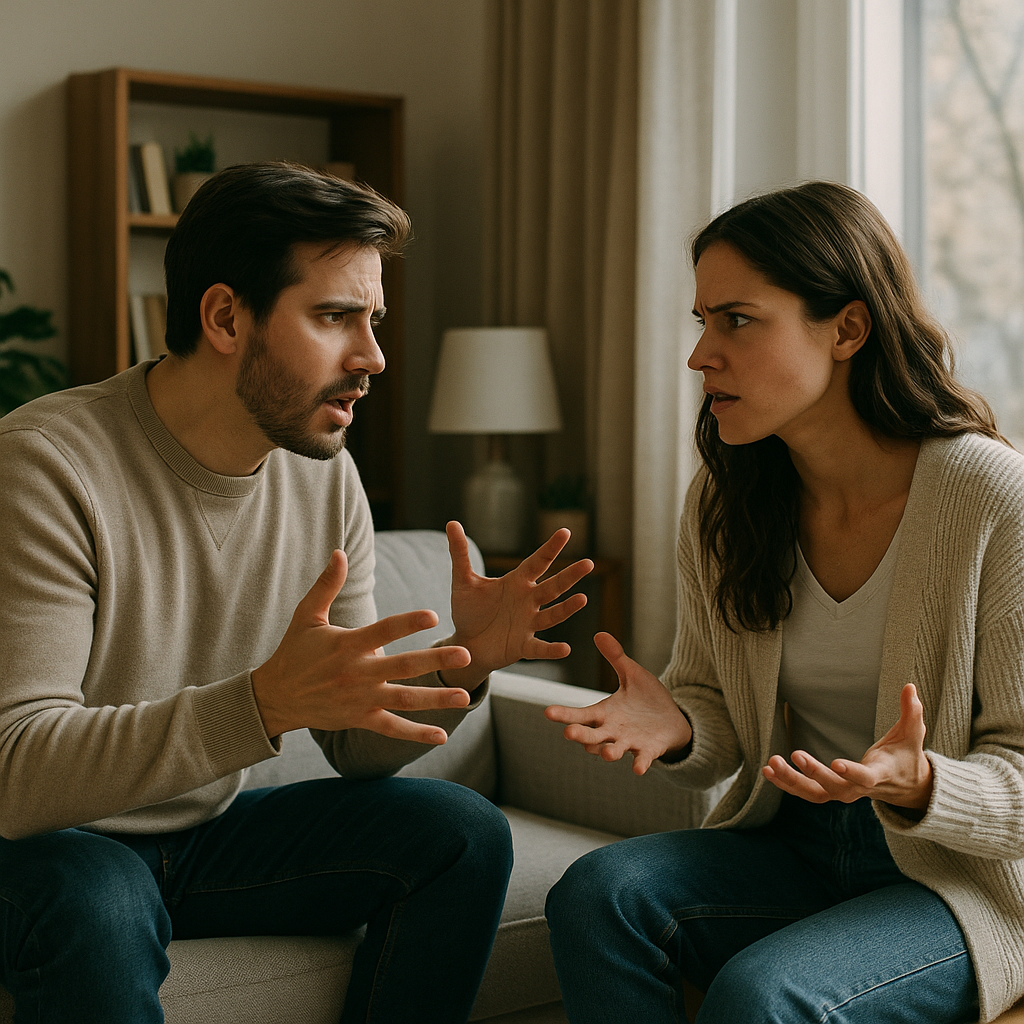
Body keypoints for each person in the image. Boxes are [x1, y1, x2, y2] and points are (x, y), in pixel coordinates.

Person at [0, 161, 592, 1023]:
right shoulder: (47, 466)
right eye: (335, 317)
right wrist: (260, 705)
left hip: (197, 835)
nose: (374, 358)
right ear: (226, 316)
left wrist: (463, 670)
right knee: (96, 899)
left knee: (460, 832)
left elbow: (355, 749)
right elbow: (18, 772)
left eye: (374, 320)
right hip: (40, 847)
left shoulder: (325, 477)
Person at [543, 181, 1024, 1024]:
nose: (700, 356)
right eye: (702, 322)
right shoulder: (728, 501)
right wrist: (682, 723)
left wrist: (921, 784)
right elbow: (720, 718)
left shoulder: (991, 500)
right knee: (597, 892)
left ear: (847, 328)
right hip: (795, 843)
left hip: (955, 877)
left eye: (737, 319)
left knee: (763, 996)